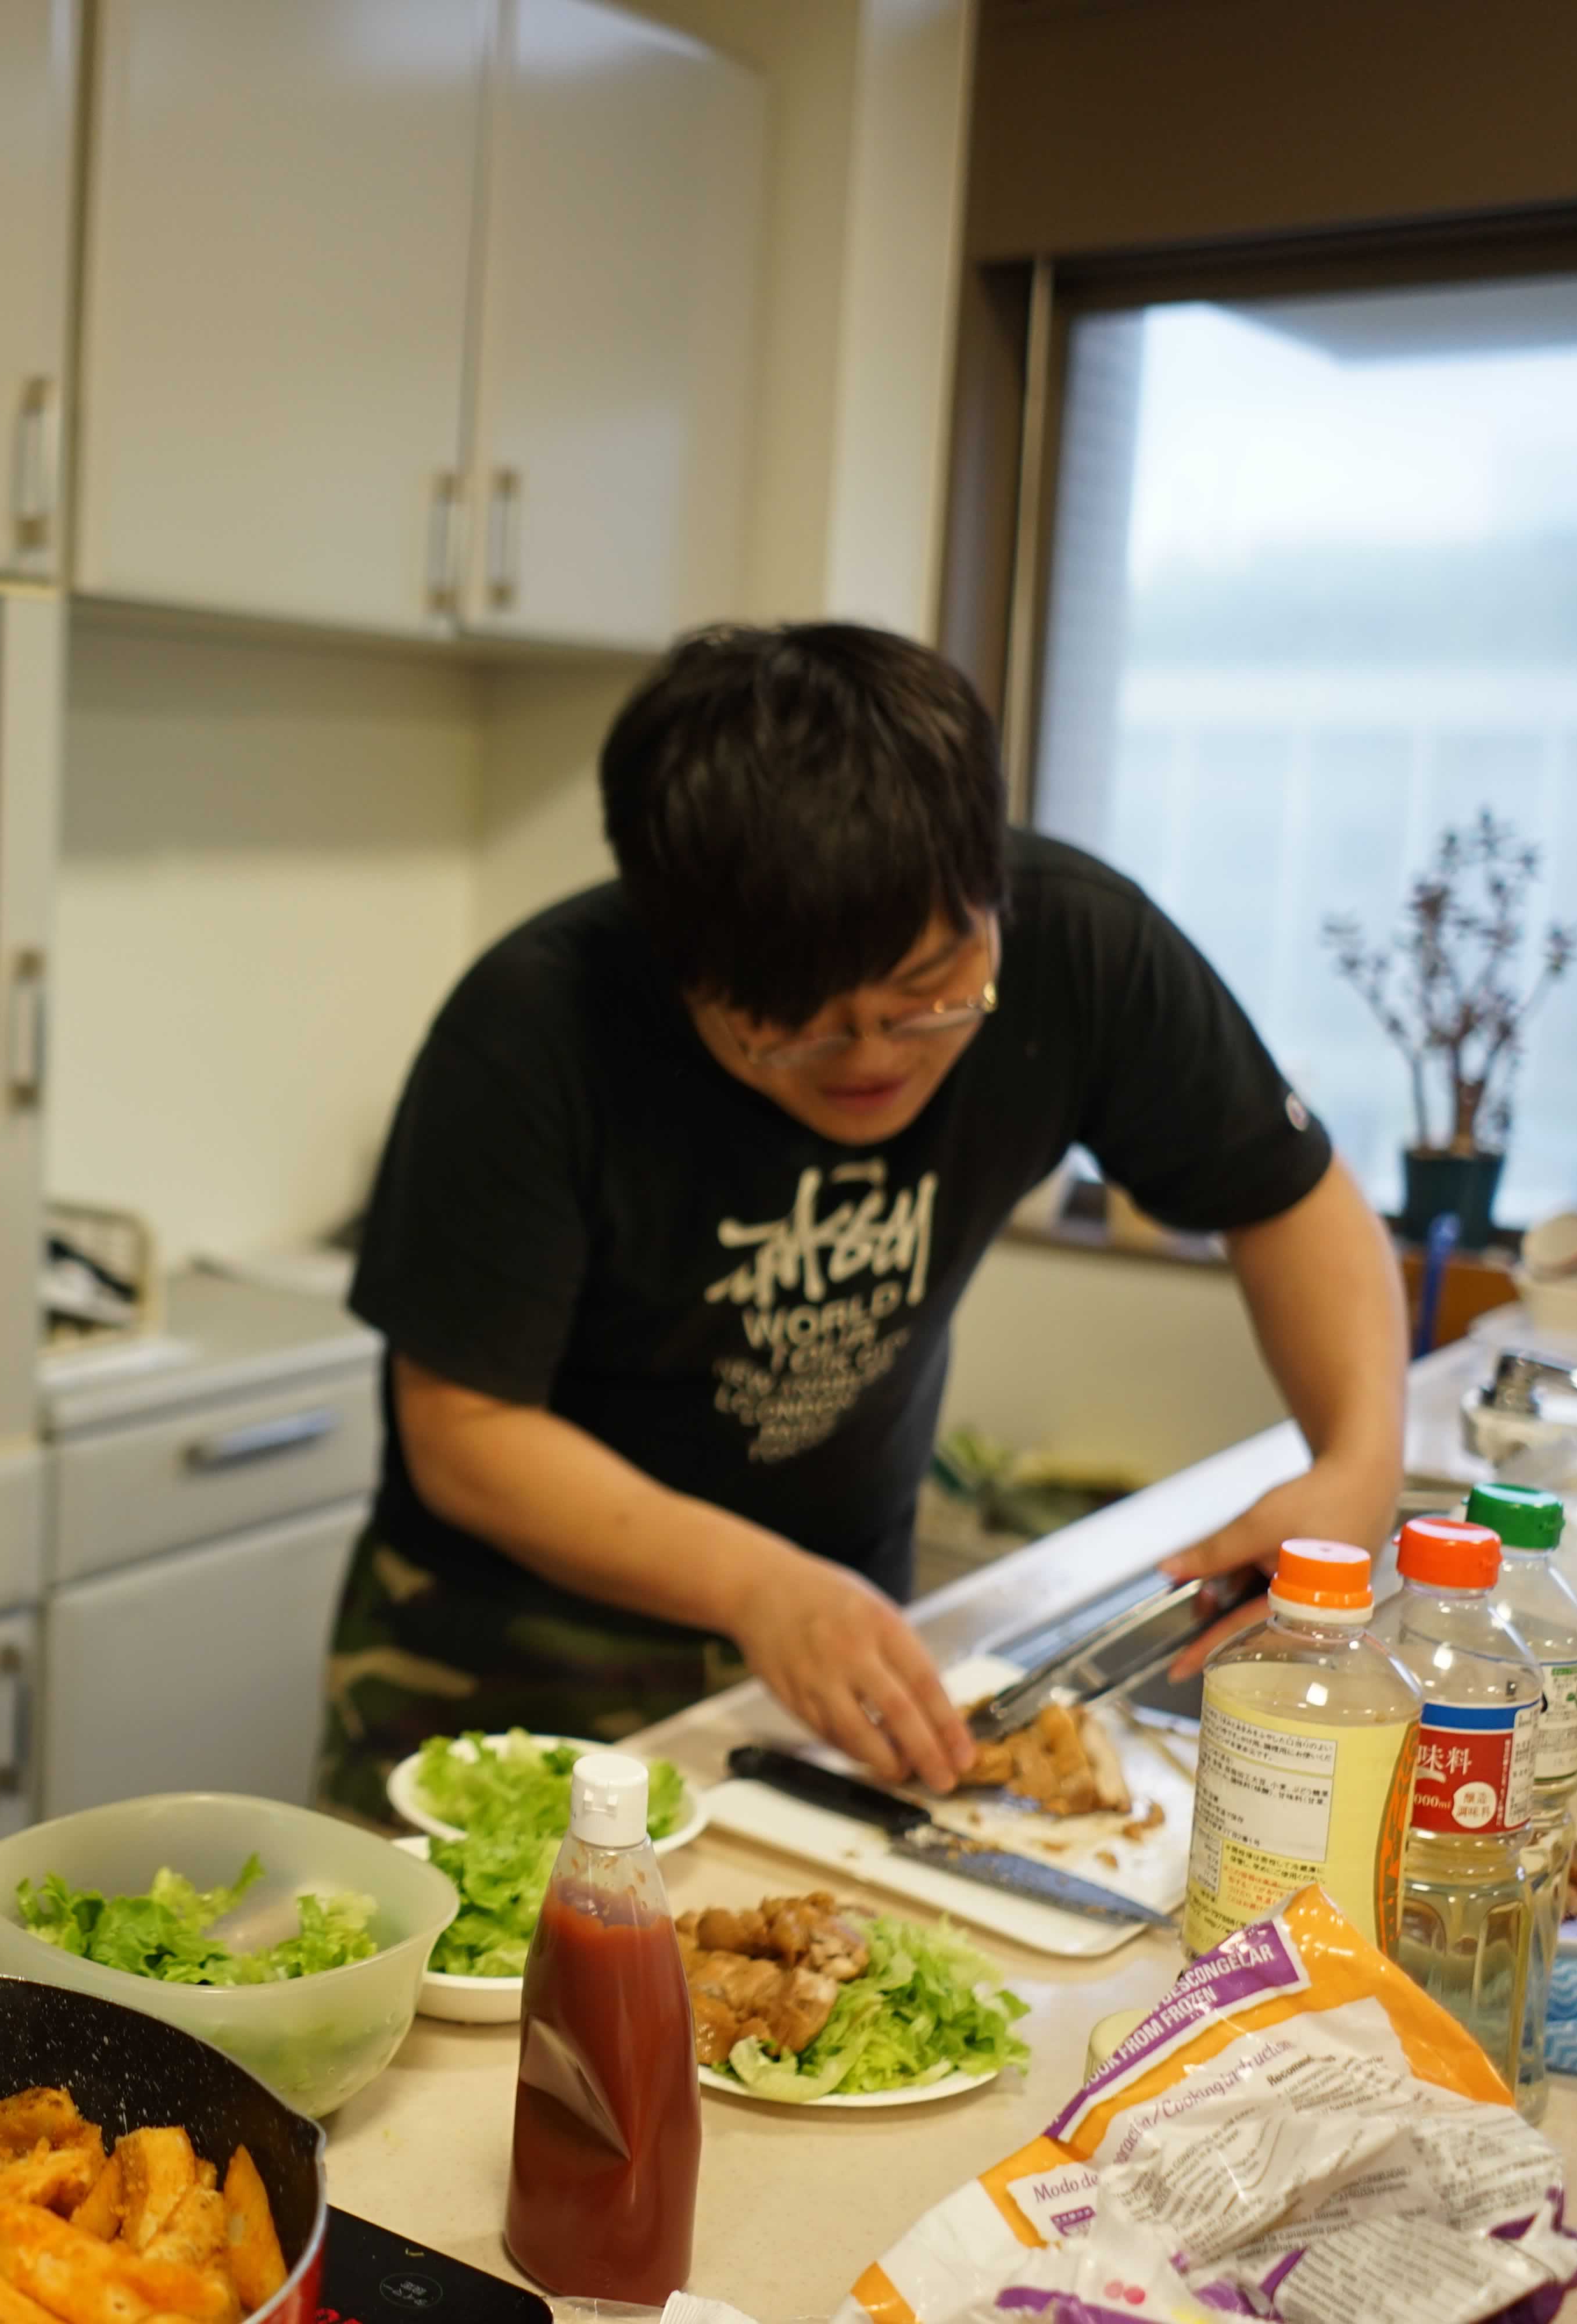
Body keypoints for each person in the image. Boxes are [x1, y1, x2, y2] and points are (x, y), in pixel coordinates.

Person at [322, 623, 1406, 1815]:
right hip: (511, 1662)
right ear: (679, 960)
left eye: (933, 989)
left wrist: (1358, 1461)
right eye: (798, 1025)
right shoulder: (532, 1030)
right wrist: (754, 1582)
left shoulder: (1083, 945)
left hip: (846, 1629)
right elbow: (465, 1428)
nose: (876, 1055)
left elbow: (1290, 1194)